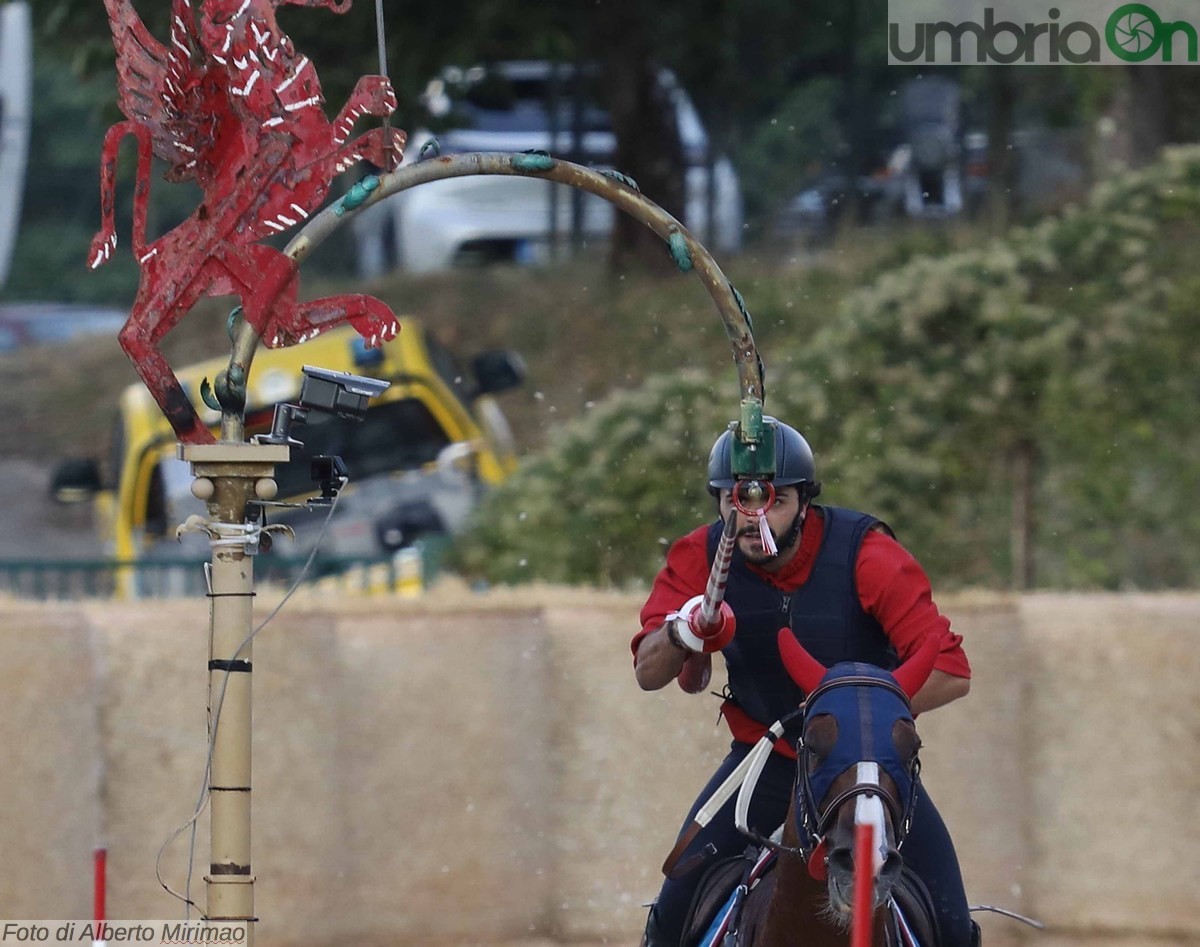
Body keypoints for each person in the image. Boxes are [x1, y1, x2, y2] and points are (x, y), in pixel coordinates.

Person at [632, 418, 977, 947]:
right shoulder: (697, 556)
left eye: (774, 501)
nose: (754, 518)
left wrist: (850, 713)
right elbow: (648, 672)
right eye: (736, 501)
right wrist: (684, 629)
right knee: (670, 918)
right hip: (764, 760)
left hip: (866, 769)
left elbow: (951, 670)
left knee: (953, 926)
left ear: (805, 500)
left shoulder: (868, 554)